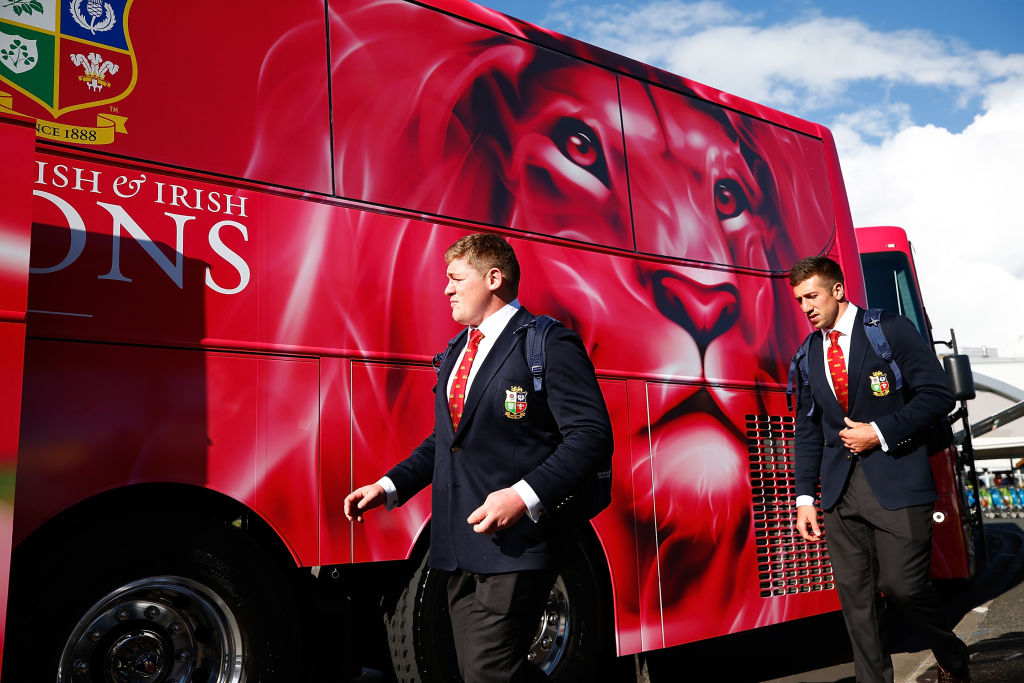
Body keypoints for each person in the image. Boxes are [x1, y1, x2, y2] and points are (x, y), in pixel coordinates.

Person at [344, 232, 613, 682]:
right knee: (483, 671)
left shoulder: (547, 342)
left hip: (517, 545)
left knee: (488, 671)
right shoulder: (454, 353)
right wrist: (388, 486)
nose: (445, 289)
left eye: (455, 278)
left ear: (494, 278)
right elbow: (444, 443)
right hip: (456, 547)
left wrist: (522, 497)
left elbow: (589, 436)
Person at [788, 256, 970, 683]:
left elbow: (938, 395)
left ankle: (950, 651)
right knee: (857, 604)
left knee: (906, 588)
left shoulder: (888, 329)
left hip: (897, 481)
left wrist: (879, 432)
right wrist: (804, 497)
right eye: (798, 300)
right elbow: (808, 429)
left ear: (837, 289)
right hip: (838, 494)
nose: (805, 307)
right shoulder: (809, 352)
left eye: (811, 296)